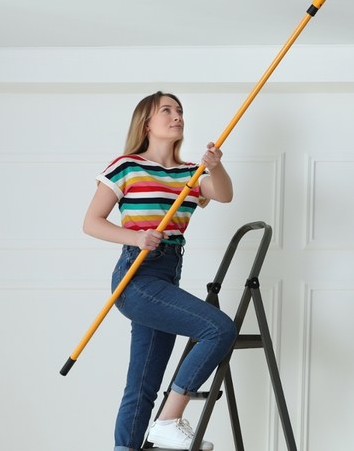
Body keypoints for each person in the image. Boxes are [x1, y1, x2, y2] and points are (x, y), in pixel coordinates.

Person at [83, 91, 237, 451]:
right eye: (166, 110)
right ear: (146, 123)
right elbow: (92, 223)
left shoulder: (190, 174)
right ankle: (169, 420)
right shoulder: (126, 166)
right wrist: (136, 238)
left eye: (179, 110)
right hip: (136, 276)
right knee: (219, 328)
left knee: (141, 385)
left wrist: (215, 165)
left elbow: (224, 194)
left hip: (168, 274)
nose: (176, 115)